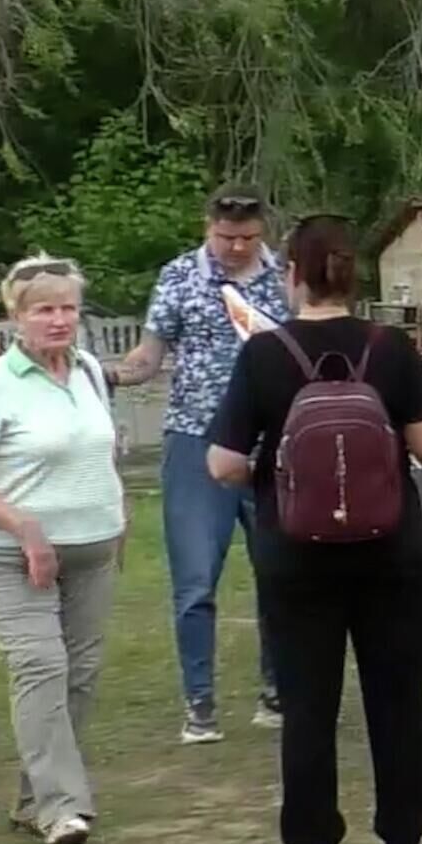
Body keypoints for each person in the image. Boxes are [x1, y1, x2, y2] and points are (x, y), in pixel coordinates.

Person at [206, 215, 422, 844]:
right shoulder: (389, 347)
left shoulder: (264, 352)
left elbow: (224, 463)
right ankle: (402, 828)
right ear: (351, 273)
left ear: (291, 274)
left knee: (307, 702)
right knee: (395, 698)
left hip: (295, 552)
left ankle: (312, 831)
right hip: (391, 548)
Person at [0, 256, 123, 844]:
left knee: (79, 677)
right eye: (45, 308)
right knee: (41, 666)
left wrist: (118, 518)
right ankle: (62, 807)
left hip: (93, 551)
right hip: (12, 555)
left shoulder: (89, 370)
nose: (60, 319)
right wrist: (23, 527)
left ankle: (33, 797)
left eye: (68, 307)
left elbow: (98, 454)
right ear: (17, 316)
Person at [109, 186, 287, 743]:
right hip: (195, 439)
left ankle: (278, 690)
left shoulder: (284, 277)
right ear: (207, 226)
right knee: (194, 580)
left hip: (273, 444)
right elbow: (149, 355)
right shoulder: (180, 276)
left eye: (247, 238)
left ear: (263, 231)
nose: (236, 247)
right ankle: (199, 702)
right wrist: (104, 373)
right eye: (225, 237)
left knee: (281, 575)